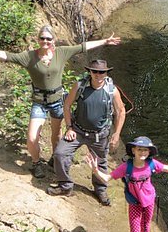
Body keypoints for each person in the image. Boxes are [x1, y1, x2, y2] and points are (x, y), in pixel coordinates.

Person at [0, 26, 120, 178]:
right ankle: (36, 163)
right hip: (39, 102)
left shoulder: (62, 52)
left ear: (53, 40)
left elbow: (83, 47)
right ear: (38, 39)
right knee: (32, 137)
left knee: (56, 135)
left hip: (58, 100)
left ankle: (55, 159)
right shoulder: (29, 57)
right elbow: (7, 55)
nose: (45, 41)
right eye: (42, 38)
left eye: (48, 38)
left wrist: (105, 41)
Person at [48, 58, 126, 204]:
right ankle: (65, 186)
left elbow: (121, 111)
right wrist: (69, 127)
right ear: (89, 72)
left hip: (100, 135)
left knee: (101, 163)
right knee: (60, 153)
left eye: (101, 72)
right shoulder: (80, 86)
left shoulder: (112, 90)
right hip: (77, 130)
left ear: (106, 73)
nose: (98, 74)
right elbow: (67, 105)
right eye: (95, 71)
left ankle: (100, 190)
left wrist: (117, 134)